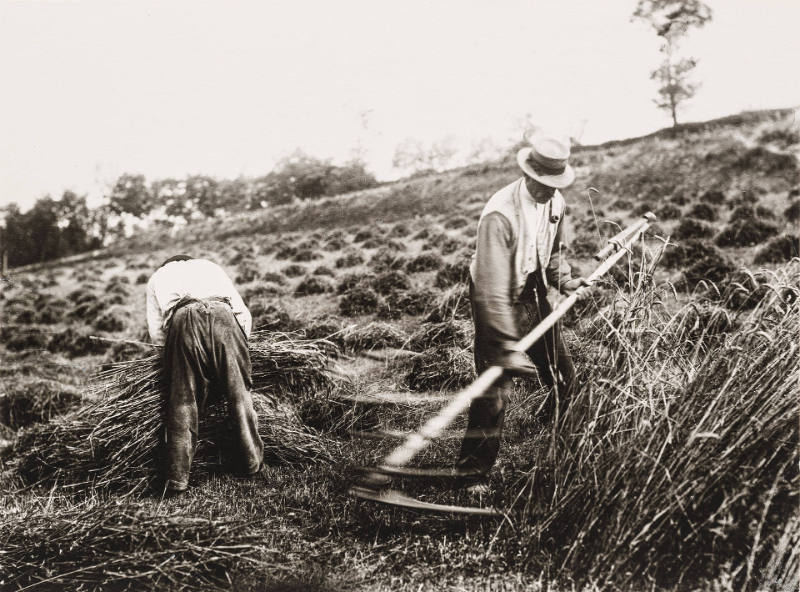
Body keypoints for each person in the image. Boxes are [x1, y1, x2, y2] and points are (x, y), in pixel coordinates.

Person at [456, 131, 588, 486]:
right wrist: (504, 344)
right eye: (542, 182)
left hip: (534, 290)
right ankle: (472, 475)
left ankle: (555, 444)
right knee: (494, 390)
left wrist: (566, 281)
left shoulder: (556, 203)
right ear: (528, 174)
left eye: (554, 182)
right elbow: (492, 289)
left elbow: (554, 251)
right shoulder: (500, 215)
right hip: (494, 297)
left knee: (564, 375)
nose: (548, 189)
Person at [145, 255, 264, 494]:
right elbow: (242, 313)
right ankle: (252, 464)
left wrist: (173, 361)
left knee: (183, 400)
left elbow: (157, 332)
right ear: (191, 260)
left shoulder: (157, 277)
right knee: (239, 393)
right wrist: (237, 350)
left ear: (167, 265)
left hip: (184, 319)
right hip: (223, 315)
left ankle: (177, 480)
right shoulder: (210, 266)